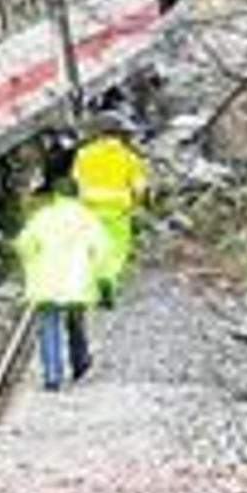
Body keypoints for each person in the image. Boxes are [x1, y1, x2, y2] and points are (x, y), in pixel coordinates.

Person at [13, 175, 112, 391]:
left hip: (46, 283)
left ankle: (52, 377)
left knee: (48, 326)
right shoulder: (87, 218)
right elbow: (102, 249)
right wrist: (100, 276)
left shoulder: (42, 217)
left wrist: (31, 262)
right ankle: (80, 363)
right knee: (76, 321)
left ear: (55, 195)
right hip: (77, 283)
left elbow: (24, 244)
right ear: (77, 195)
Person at [72, 114, 149, 307]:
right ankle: (107, 281)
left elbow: (76, 182)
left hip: (89, 211)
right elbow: (140, 188)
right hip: (117, 213)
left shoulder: (83, 154)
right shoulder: (129, 158)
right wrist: (135, 205)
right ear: (120, 135)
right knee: (115, 251)